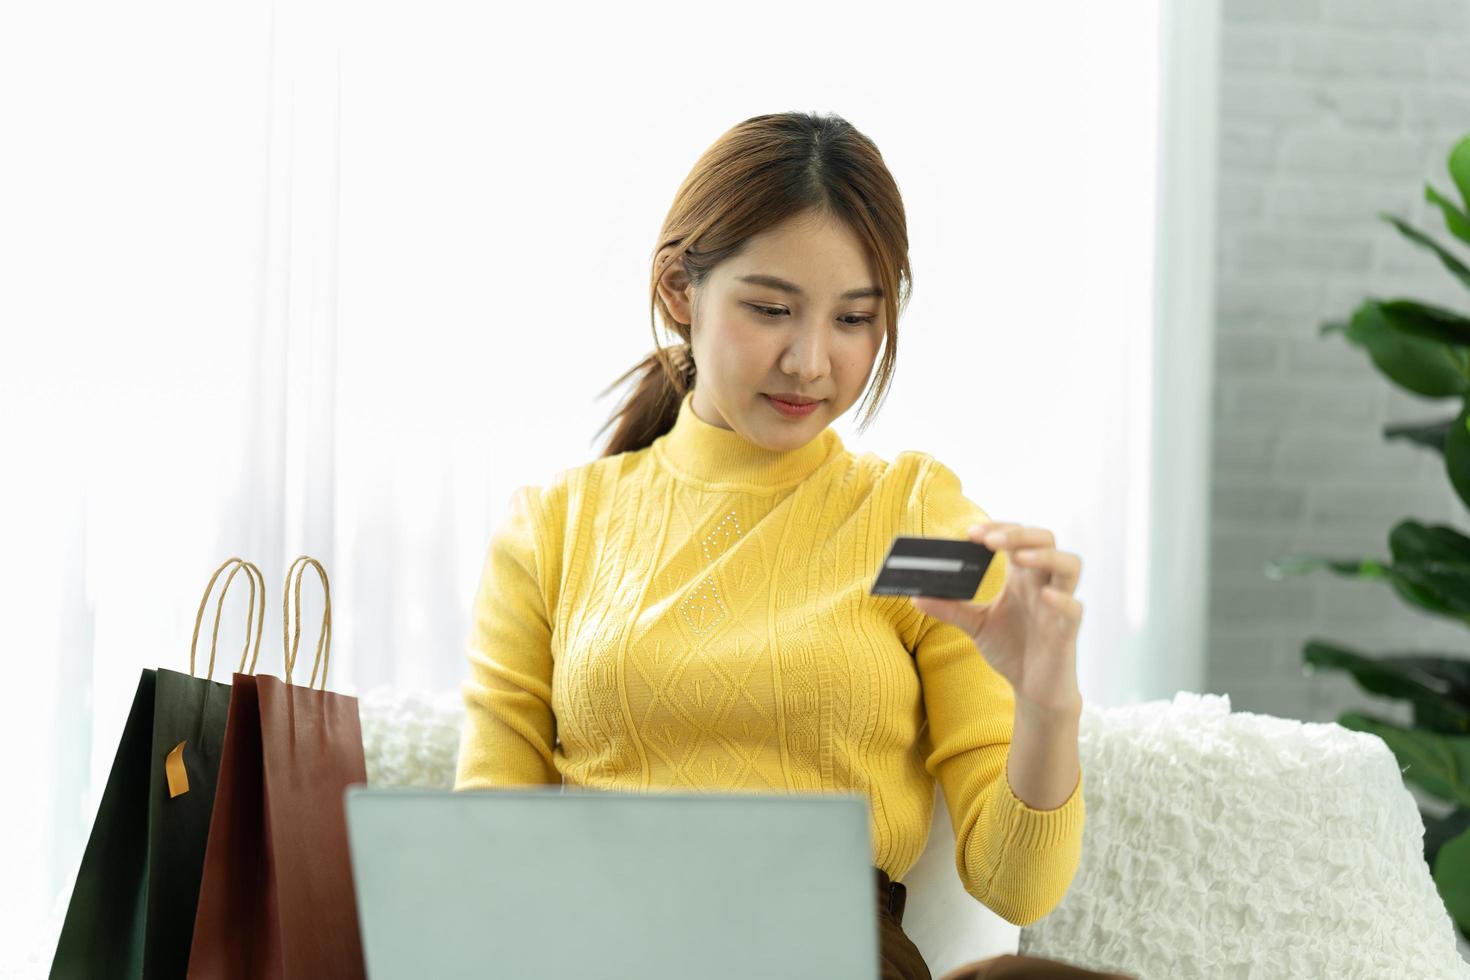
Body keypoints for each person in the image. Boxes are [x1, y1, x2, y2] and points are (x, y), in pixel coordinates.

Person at [454, 111, 1133, 980]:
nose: (812, 362)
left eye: (854, 319)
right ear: (677, 290)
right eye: (771, 309)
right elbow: (487, 859)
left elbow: (1016, 887)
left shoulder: (913, 521)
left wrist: (1046, 701)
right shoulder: (555, 530)